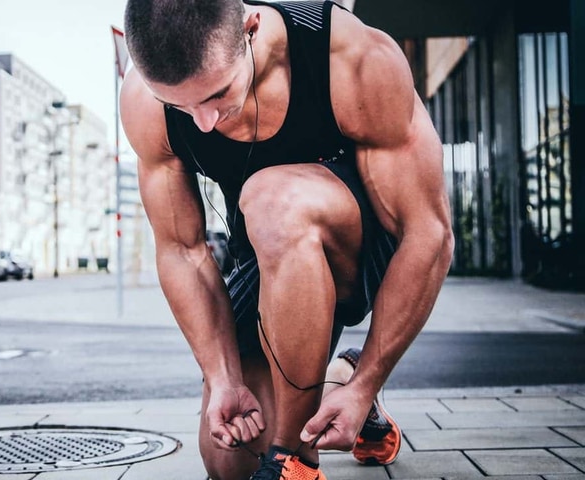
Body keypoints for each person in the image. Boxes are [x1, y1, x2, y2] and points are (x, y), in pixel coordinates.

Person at [120, 1, 454, 479]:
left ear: (250, 30)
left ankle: (295, 463)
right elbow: (182, 250)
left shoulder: (349, 55)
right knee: (229, 460)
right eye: (180, 106)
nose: (204, 123)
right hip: (268, 255)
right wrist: (223, 378)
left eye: (217, 94)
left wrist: (367, 384)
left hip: (366, 246)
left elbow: (430, 233)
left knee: (273, 198)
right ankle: (334, 374)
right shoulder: (143, 100)